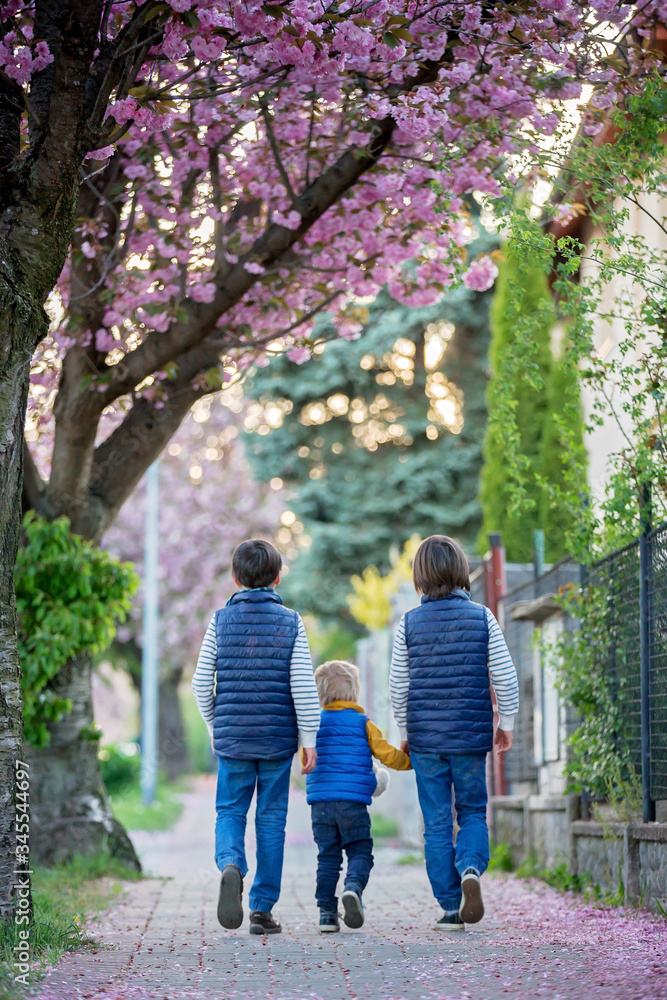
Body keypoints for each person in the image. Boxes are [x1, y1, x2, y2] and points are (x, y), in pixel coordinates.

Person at [389, 534, 518, 931]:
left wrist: (405, 729)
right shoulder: (483, 617)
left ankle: (449, 908)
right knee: (474, 811)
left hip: (426, 740)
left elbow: (398, 687)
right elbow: (507, 677)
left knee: (437, 821)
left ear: (420, 577)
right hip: (469, 736)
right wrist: (505, 723)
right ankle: (471, 870)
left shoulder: (408, 623)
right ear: (461, 571)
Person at [192, 538, 320, 935]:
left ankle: (231, 863)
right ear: (278, 578)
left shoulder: (219, 621)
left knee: (230, 811)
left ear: (235, 578)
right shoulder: (291, 621)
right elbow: (302, 685)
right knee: (271, 820)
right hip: (277, 741)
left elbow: (200, 684)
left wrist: (216, 727)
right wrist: (309, 737)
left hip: (232, 740)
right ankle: (262, 910)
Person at [306, 659, 411, 933]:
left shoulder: (312, 725)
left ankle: (327, 914)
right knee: (360, 850)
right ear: (355, 691)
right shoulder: (363, 723)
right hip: (353, 804)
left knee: (327, 857)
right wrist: (410, 761)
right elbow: (387, 754)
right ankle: (353, 888)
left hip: (321, 806)